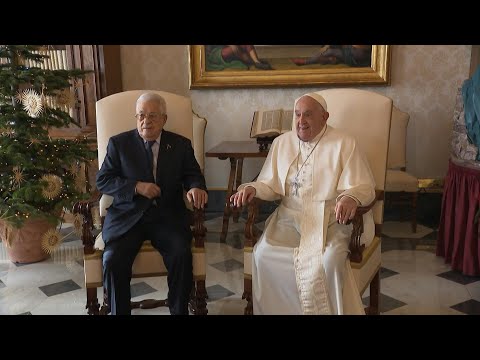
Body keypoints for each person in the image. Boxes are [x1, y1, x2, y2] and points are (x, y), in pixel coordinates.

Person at [230, 93, 375, 315]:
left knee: (330, 261)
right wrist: (252, 188)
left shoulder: (345, 143)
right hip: (289, 218)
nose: (301, 121)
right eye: (297, 114)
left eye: (308, 115)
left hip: (331, 220)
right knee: (263, 255)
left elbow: (363, 186)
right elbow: (269, 184)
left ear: (324, 117)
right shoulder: (282, 142)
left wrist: (350, 197)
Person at [96, 92, 208, 315]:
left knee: (181, 255)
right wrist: (136, 186)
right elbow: (103, 180)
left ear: (164, 119)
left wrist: (196, 186)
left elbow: (193, 174)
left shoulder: (180, 145)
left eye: (152, 116)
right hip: (128, 217)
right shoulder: (119, 144)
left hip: (167, 216)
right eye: (140, 115)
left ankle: (179, 310)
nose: (145, 121)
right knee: (112, 259)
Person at [292, 45, 372, 67]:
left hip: (358, 58)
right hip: (351, 52)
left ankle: (305, 62)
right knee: (329, 56)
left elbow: (361, 50)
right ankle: (333, 60)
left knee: (330, 51)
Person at [206, 45, 273, 71]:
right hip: (215, 53)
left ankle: (256, 62)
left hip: (226, 48)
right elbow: (209, 49)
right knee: (235, 48)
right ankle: (254, 62)